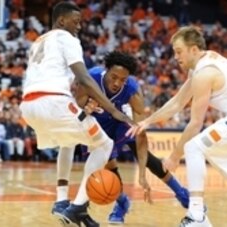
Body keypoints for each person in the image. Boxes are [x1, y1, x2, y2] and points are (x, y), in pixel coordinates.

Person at [127, 26, 227, 227]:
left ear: (194, 49)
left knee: (193, 147)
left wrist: (174, 156)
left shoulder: (205, 73)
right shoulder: (202, 64)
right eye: (174, 51)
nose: (175, 56)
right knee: (216, 155)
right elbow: (177, 103)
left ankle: (197, 215)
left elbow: (195, 123)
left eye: (179, 51)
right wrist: (147, 121)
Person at [19, 2, 147, 227]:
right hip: (53, 101)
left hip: (29, 106)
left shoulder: (39, 41)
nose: (78, 26)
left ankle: (61, 201)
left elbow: (68, 82)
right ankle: (77, 207)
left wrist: (83, 106)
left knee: (69, 141)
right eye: (75, 21)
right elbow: (84, 79)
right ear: (61, 21)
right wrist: (113, 110)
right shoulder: (68, 39)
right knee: (104, 145)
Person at [52, 51, 189, 225]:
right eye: (114, 77)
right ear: (106, 70)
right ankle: (122, 203)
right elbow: (78, 103)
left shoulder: (131, 91)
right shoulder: (91, 77)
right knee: (109, 168)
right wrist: (86, 106)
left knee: (150, 160)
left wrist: (141, 177)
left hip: (120, 121)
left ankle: (183, 195)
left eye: (122, 79)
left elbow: (141, 134)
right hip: (99, 125)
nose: (117, 83)